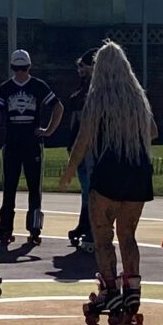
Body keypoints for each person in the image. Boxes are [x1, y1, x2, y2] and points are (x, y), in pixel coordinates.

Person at [59, 40, 158, 325]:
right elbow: (153, 131)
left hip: (110, 170)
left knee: (102, 236)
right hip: (138, 170)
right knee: (128, 235)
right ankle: (133, 294)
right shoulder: (138, 98)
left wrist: (69, 172)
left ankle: (111, 291)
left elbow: (84, 139)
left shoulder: (98, 97)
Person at [0, 48, 65, 247]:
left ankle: (28, 227)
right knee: (15, 188)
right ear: (28, 65)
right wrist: (48, 130)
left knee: (23, 188)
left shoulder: (35, 86)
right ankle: (15, 227)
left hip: (28, 143)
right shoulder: (9, 88)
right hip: (16, 142)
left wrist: (48, 130)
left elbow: (58, 107)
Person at [61, 53, 96, 248]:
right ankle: (84, 223)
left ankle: (92, 228)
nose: (80, 71)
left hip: (91, 147)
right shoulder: (82, 89)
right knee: (85, 189)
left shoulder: (97, 90)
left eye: (83, 66)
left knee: (91, 188)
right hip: (78, 143)